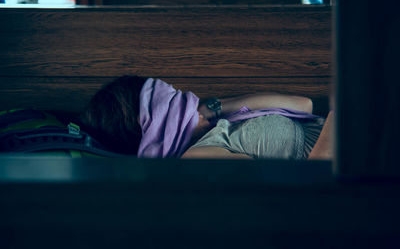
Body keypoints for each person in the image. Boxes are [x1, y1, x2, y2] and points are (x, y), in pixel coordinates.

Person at [79, 75, 334, 160]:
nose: (190, 101)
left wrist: (213, 108)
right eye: (174, 106)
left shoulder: (218, 124)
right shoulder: (197, 158)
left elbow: (303, 105)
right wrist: (341, 116)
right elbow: (304, 197)